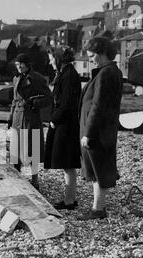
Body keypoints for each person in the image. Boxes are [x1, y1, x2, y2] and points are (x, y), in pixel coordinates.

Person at [78, 36, 123, 220]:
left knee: (98, 170)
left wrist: (88, 133)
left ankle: (98, 210)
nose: (90, 60)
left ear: (102, 54)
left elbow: (98, 105)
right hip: (103, 130)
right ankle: (98, 208)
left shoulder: (106, 73)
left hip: (98, 131)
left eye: (92, 56)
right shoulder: (111, 71)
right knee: (97, 170)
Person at [44, 46, 82, 210]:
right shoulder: (67, 74)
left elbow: (67, 103)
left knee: (68, 164)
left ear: (59, 59)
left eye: (52, 59)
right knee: (68, 164)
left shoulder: (68, 76)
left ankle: (69, 201)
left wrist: (54, 120)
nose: (50, 62)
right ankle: (69, 199)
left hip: (65, 125)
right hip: (65, 123)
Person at [8, 53, 53, 189]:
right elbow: (14, 100)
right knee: (15, 148)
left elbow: (48, 98)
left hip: (31, 117)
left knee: (32, 148)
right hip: (17, 116)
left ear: (28, 64)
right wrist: (10, 118)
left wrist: (35, 103)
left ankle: (35, 180)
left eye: (21, 64)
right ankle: (17, 176)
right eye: (17, 64)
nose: (19, 66)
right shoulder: (15, 79)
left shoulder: (37, 78)